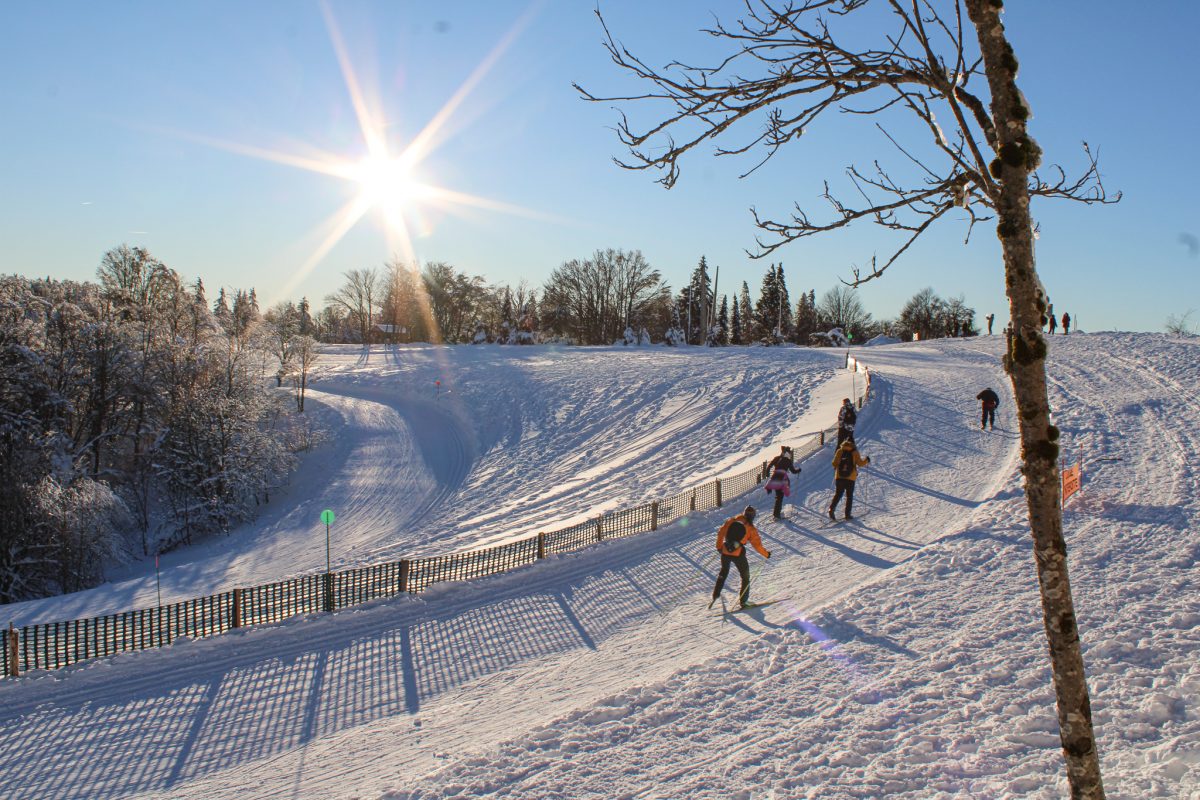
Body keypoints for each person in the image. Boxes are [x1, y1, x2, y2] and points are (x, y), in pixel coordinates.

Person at [710, 506, 770, 609]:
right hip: (738, 554)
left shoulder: (732, 520)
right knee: (745, 577)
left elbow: (721, 532)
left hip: (725, 551)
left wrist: (719, 546)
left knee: (723, 572)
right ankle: (744, 601)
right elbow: (757, 545)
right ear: (753, 516)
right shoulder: (750, 528)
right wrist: (766, 554)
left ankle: (716, 594)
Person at [828, 437, 870, 521]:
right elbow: (860, 463)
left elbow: (834, 463)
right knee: (849, 496)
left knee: (838, 494)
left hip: (839, 477)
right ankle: (847, 514)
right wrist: (867, 460)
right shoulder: (854, 452)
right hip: (850, 478)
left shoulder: (840, 451)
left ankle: (831, 509)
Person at [764, 445, 801, 519]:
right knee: (780, 497)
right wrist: (798, 470)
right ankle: (777, 514)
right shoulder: (788, 461)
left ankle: (776, 513)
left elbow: (769, 467)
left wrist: (767, 473)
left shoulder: (776, 458)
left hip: (774, 479)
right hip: (782, 480)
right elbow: (793, 471)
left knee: (778, 496)